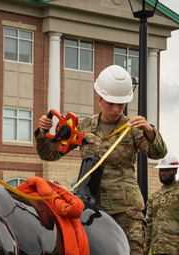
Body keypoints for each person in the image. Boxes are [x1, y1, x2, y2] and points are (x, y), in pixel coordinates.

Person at [35, 65, 167, 255]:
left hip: (126, 210)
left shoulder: (133, 128)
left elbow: (158, 154)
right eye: (110, 103)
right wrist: (42, 133)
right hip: (90, 209)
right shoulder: (83, 126)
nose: (115, 109)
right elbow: (50, 155)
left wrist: (150, 131)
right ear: (99, 100)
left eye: (120, 105)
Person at [145, 153, 179, 255]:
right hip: (157, 250)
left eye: (167, 170)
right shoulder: (155, 197)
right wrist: (145, 250)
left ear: (175, 171)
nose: (163, 173)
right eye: (161, 170)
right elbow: (148, 226)